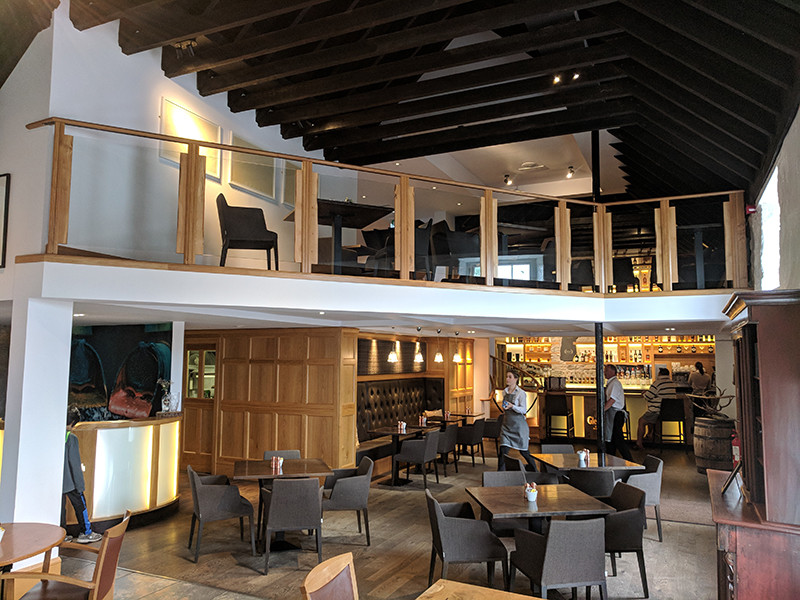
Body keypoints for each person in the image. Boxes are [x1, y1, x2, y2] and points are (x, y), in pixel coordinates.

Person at [63, 406, 102, 543]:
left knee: (60, 509)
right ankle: (86, 533)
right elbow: (75, 464)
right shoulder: (70, 438)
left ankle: (61, 535)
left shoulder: (53, 435)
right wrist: (80, 485)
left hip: (57, 482)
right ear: (73, 423)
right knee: (80, 506)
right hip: (71, 482)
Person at [496, 370, 538, 471]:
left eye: (510, 377)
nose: (507, 379)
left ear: (516, 379)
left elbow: (523, 410)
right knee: (503, 451)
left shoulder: (521, 393)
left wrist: (512, 406)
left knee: (524, 452)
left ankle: (535, 471)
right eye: (507, 376)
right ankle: (499, 474)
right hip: (507, 426)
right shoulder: (504, 392)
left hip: (519, 427)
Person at [637, 368, 677, 449]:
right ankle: (650, 435)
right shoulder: (672, 383)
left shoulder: (657, 383)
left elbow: (648, 396)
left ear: (660, 374)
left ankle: (639, 443)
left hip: (657, 411)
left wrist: (644, 393)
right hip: (670, 412)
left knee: (641, 421)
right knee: (650, 420)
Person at [603, 364, 632, 460]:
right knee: (613, 439)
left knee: (617, 439)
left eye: (606, 370)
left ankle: (629, 460)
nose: (604, 372)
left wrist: (602, 410)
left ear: (613, 372)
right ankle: (611, 459)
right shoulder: (612, 383)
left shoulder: (614, 383)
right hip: (614, 413)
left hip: (616, 414)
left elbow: (612, 400)